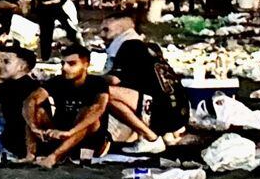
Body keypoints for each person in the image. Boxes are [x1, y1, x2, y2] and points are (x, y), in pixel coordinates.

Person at [98, 13, 188, 150]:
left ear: (121, 29)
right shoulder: (151, 47)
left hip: (161, 112)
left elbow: (114, 80)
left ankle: (150, 139)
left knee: (102, 91)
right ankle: (162, 135)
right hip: (178, 112)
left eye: (106, 30)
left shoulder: (129, 46)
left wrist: (89, 79)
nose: (101, 35)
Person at [29, 44, 111, 167]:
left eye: (71, 64)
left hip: (90, 141)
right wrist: (33, 125)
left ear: (86, 65)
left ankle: (54, 157)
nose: (65, 68)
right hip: (61, 133)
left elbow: (99, 108)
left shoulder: (98, 82)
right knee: (36, 110)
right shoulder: (57, 81)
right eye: (63, 64)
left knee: (87, 114)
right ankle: (30, 154)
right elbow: (32, 100)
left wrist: (71, 132)